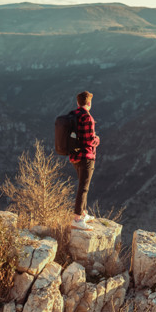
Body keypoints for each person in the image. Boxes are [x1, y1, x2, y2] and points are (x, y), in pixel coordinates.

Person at [70, 91, 100, 230]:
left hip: (74, 156)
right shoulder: (87, 117)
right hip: (86, 156)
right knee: (84, 187)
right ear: (89, 103)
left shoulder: (74, 115)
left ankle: (83, 213)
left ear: (78, 102)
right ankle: (77, 218)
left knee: (83, 185)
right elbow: (89, 139)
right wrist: (97, 139)